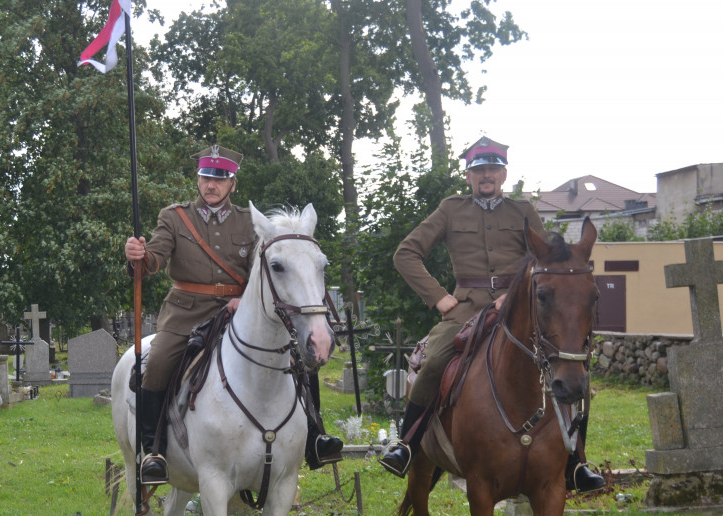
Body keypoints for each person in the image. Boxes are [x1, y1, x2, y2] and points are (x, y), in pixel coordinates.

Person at [379, 136, 605, 493]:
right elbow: (405, 253)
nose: (486, 176)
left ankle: (576, 462)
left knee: (572, 371)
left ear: (503, 175)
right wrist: (439, 298)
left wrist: (514, 294)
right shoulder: (451, 210)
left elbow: (544, 258)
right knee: (435, 359)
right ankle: (406, 445)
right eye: (479, 170)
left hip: (518, 309)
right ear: (468, 177)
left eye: (493, 170)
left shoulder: (523, 211)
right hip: (465, 308)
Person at [124, 144, 343, 485]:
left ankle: (315, 437)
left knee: (299, 357)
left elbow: (265, 270)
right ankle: (153, 451)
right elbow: (154, 259)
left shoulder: (248, 222)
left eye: (219, 178)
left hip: (239, 310)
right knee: (159, 362)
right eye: (205, 177)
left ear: (232, 184)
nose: (211, 185)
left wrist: (243, 297)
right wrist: (139, 255)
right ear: (198, 179)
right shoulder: (175, 217)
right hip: (186, 312)